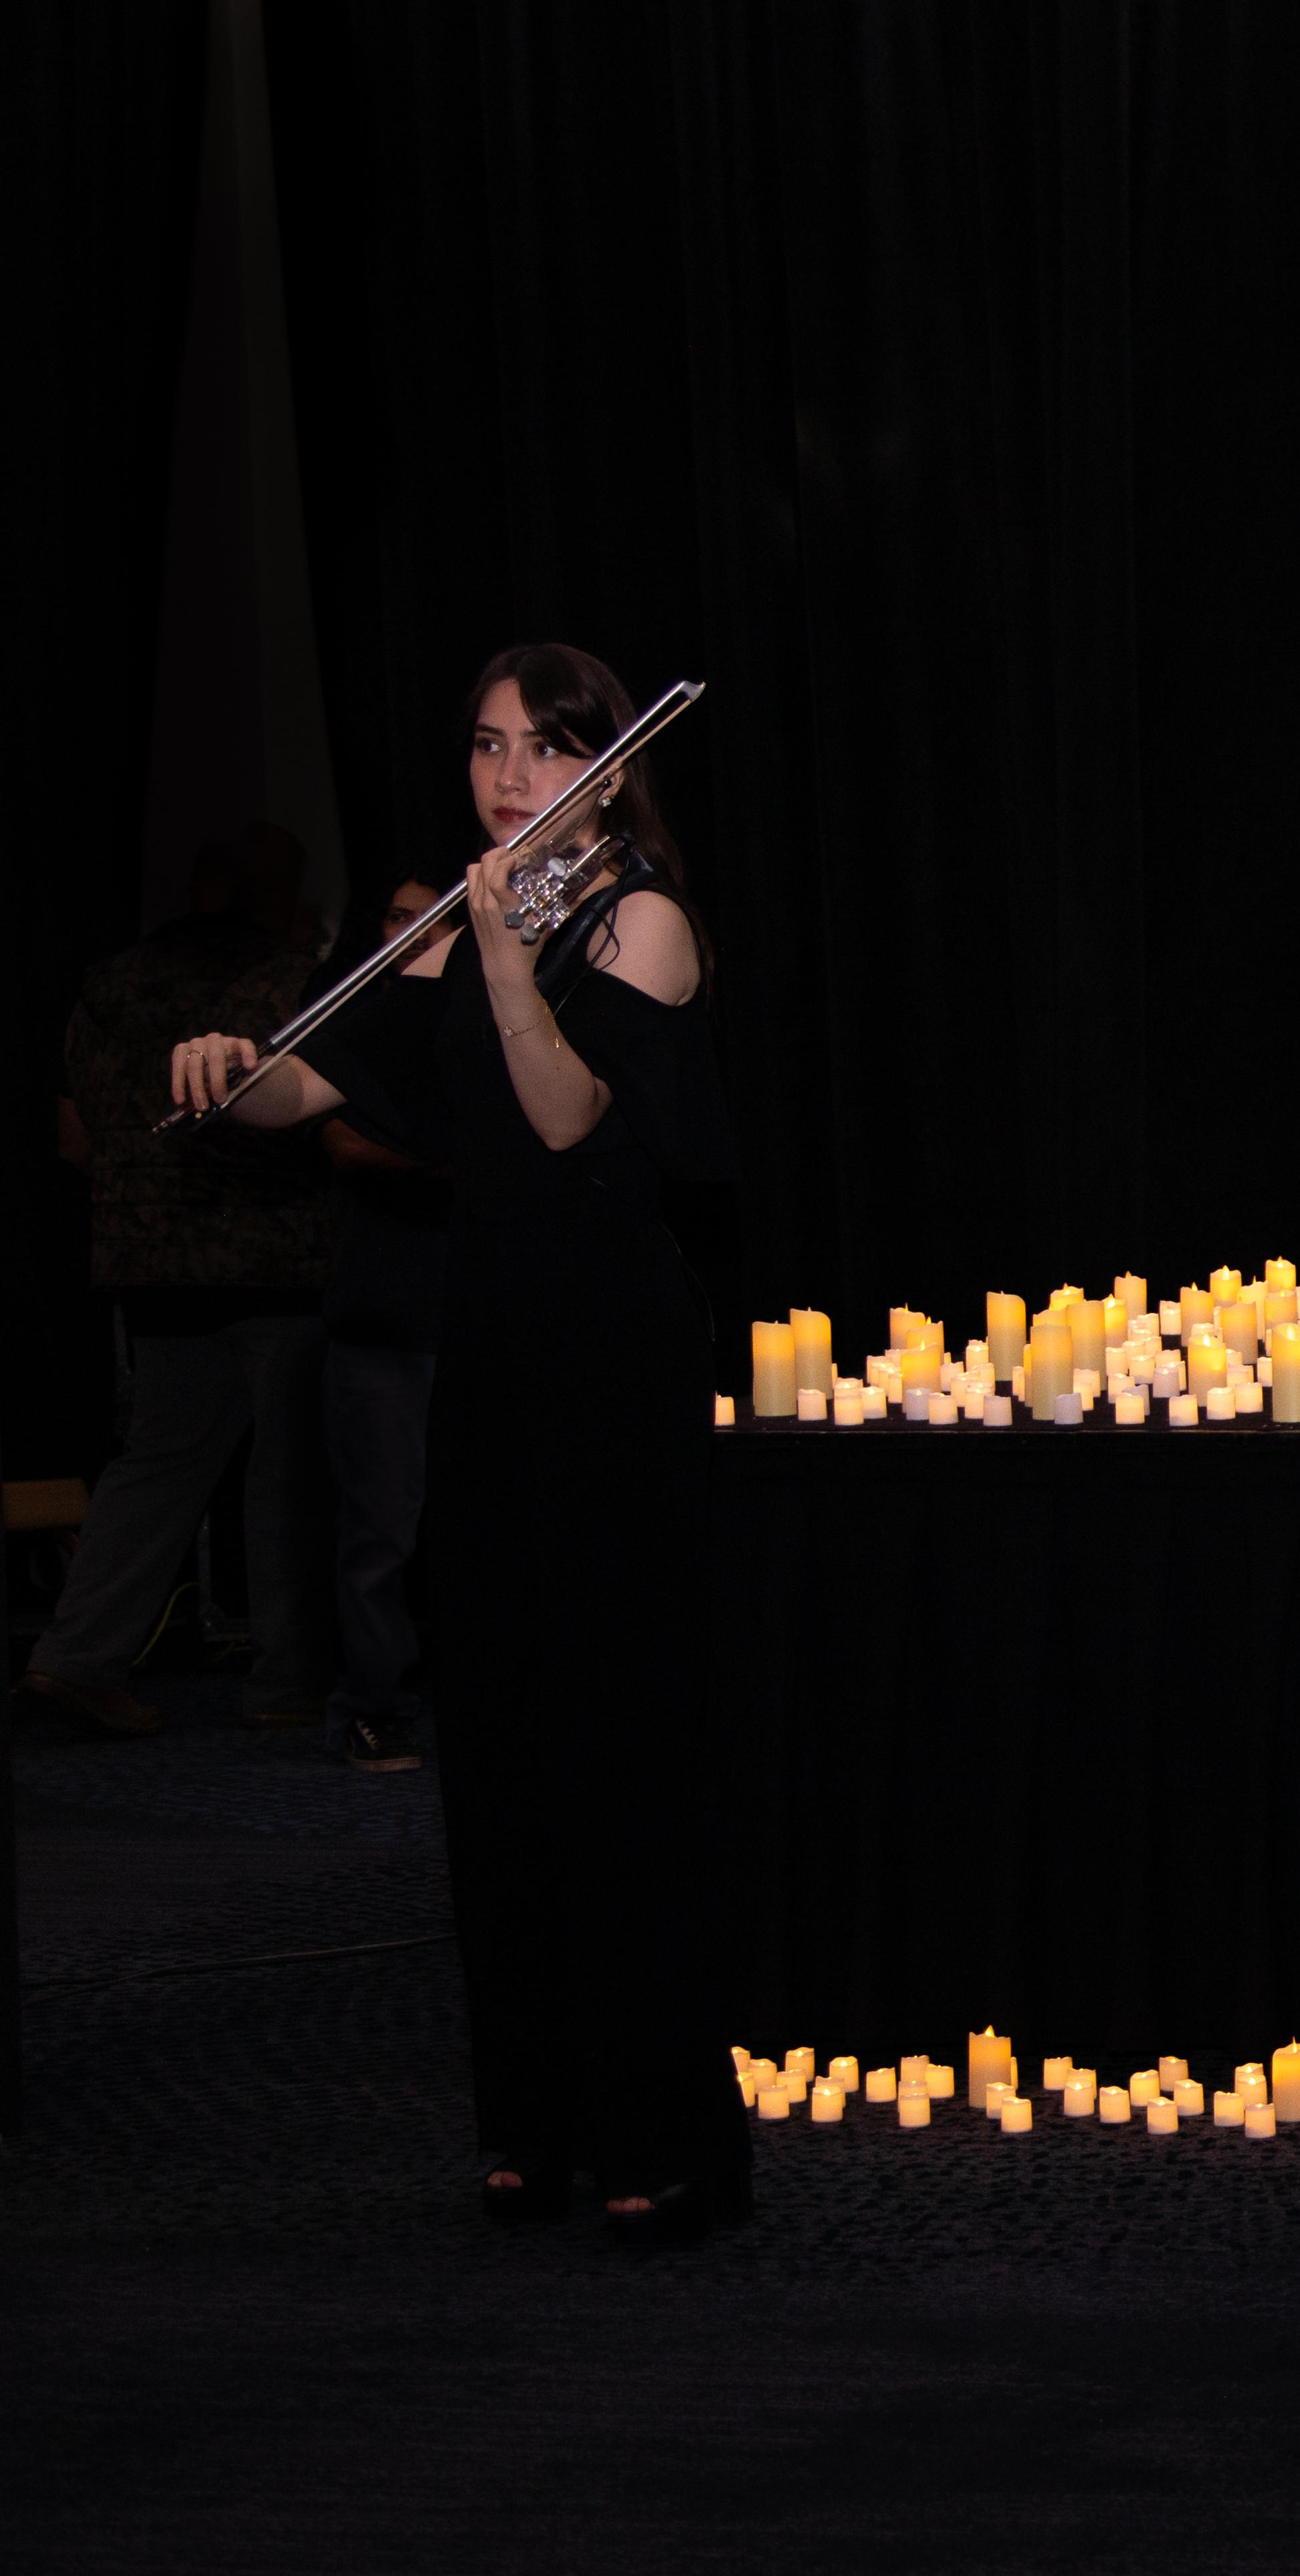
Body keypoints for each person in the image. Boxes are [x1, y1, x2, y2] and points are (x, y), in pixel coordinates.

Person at [168, 643, 744, 2246]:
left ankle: (662, 2134)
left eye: (546, 748)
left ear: (609, 769)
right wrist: (232, 1071)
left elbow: (563, 1115)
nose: (508, 777)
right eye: (488, 745)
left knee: (617, 1750)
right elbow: (316, 1085)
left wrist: (495, 948)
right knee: (500, 1748)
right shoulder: (440, 925)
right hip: (486, 1354)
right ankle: (534, 2120)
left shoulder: (638, 921)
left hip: (613, 1366)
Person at [19, 829, 336, 1740]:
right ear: (277, 896)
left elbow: (73, 1138)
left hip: (151, 1258)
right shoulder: (290, 981)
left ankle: (76, 1660)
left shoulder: (111, 982)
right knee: (287, 1472)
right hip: (276, 1256)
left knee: (157, 1461)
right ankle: (287, 1680)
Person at [314, 875, 455, 1774]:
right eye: (401, 917)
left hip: (474, 1305)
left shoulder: (486, 1016)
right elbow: (340, 1139)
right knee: (381, 1526)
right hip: (382, 1311)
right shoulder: (356, 1021)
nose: (416, 933)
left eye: (432, 917)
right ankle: (372, 1704)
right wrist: (448, 1164)